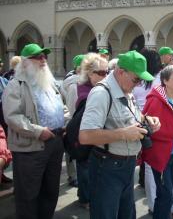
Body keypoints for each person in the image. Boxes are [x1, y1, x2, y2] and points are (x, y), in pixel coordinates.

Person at [79, 50, 161, 219]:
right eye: (136, 79)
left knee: (127, 214)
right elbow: (85, 136)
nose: (138, 84)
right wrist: (123, 133)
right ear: (121, 71)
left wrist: (148, 119)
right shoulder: (101, 93)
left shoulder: (126, 89)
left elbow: (131, 117)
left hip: (126, 165)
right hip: (107, 166)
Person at [2, 43, 65, 219]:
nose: (43, 60)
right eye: (37, 57)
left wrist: (64, 122)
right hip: (31, 147)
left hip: (55, 143)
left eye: (44, 56)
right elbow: (12, 117)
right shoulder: (16, 86)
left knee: (51, 191)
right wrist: (37, 131)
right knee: (28, 195)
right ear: (25, 62)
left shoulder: (50, 83)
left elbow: (62, 107)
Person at [142, 65, 173, 219]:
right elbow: (150, 128)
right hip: (162, 156)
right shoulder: (156, 100)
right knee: (166, 193)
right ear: (165, 80)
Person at [74, 53, 109, 209]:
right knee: (85, 169)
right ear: (90, 73)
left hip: (95, 139)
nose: (105, 75)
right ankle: (85, 198)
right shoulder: (86, 93)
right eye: (101, 73)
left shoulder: (96, 88)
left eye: (107, 72)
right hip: (87, 139)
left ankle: (88, 196)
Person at [62, 54, 85, 188]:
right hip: (73, 121)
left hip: (77, 120)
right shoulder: (73, 85)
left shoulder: (79, 82)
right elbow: (71, 108)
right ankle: (73, 176)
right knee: (72, 150)